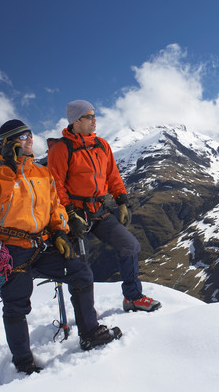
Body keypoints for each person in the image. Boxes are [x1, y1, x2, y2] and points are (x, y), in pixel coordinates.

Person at [0, 119, 121, 375]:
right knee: (16, 303)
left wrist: (58, 231)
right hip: (12, 249)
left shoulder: (41, 172)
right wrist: (10, 165)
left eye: (30, 134)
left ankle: (90, 332)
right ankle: (23, 361)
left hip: (42, 244)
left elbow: (55, 205)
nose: (30, 139)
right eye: (22, 136)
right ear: (8, 143)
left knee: (81, 273)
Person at [48, 100, 161, 312]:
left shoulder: (101, 145)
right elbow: (56, 185)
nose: (94, 120)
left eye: (94, 116)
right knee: (80, 266)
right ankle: (86, 315)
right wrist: (70, 213)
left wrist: (122, 200)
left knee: (129, 245)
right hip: (75, 214)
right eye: (90, 116)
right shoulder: (62, 149)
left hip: (98, 211)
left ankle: (132, 297)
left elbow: (112, 175)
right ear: (76, 120)